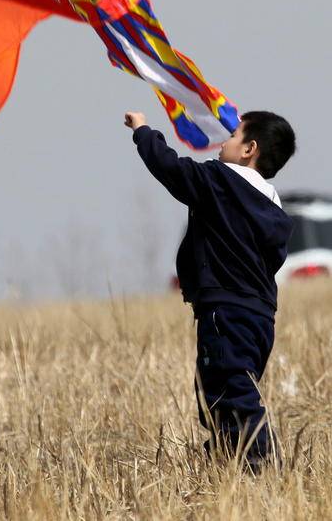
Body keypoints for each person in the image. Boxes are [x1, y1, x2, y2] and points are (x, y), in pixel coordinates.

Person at [124, 109, 295, 471]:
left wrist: (143, 131)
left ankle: (264, 467)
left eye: (232, 137)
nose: (223, 142)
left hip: (224, 312)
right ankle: (229, 467)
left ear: (249, 149)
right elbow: (274, 259)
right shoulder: (275, 209)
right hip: (261, 319)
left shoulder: (218, 181)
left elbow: (170, 168)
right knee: (218, 394)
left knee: (231, 393)